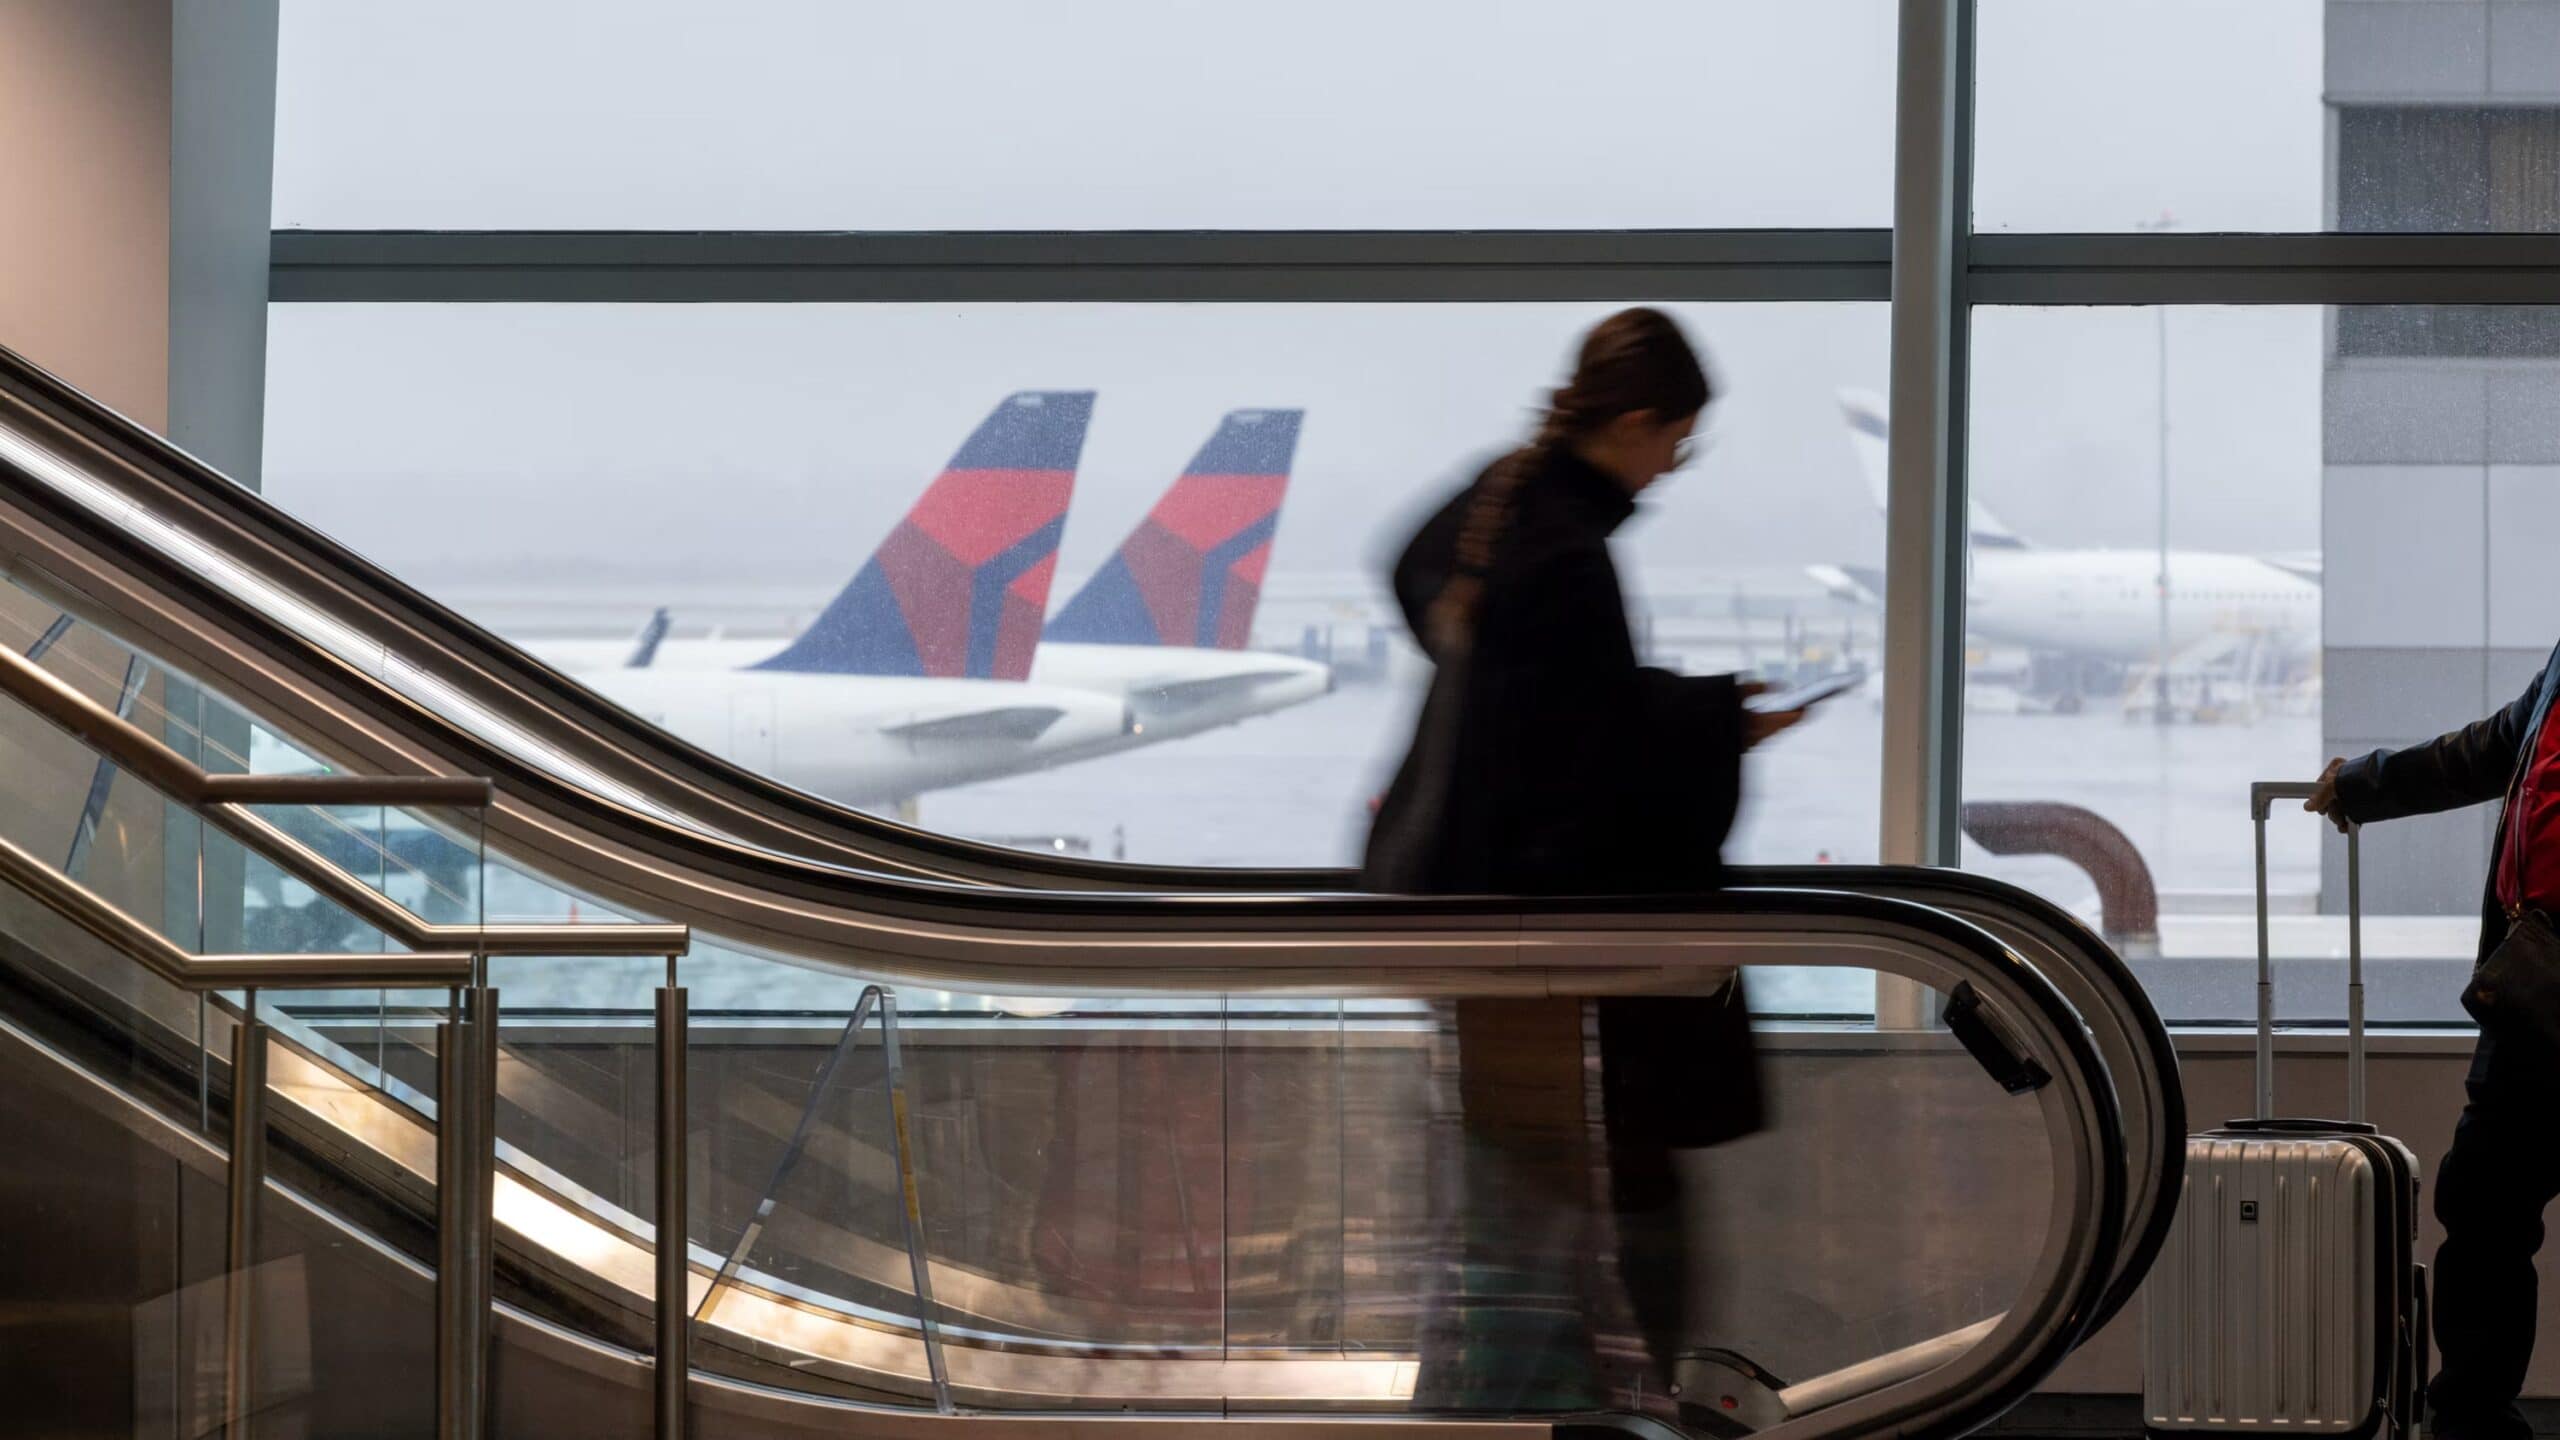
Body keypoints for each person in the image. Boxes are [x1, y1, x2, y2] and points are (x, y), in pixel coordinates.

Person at [1364, 307, 1803, 1419]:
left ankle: (1502, 1404)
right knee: (1583, 1202)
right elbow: (1585, 747)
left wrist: (1692, 716)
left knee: (1505, 1199)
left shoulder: (1498, 507)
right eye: (1678, 443)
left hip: (1471, 914)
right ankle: (1595, 1404)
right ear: (1638, 421)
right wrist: (1718, 724)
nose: (1671, 470)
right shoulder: (1565, 552)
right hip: (1547, 934)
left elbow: (1540, 702)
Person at [2307, 648, 2560, 1440]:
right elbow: (2495, 747)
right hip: (2538, 985)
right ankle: (2472, 1423)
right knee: (2483, 1205)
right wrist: (2362, 785)